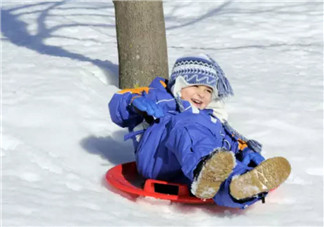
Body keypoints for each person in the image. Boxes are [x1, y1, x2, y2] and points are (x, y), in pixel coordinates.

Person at [108, 54, 291, 209]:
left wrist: (246, 152)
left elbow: (230, 141)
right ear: (179, 84)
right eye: (195, 86)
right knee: (186, 123)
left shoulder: (212, 119)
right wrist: (133, 104)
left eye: (208, 90)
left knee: (222, 175)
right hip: (157, 159)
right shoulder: (159, 96)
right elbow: (118, 104)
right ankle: (203, 167)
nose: (202, 94)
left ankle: (239, 185)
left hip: (190, 173)